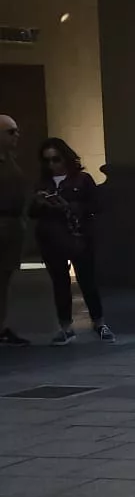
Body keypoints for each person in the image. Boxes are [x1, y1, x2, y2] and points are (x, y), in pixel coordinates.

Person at [30, 138, 110, 344]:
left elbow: (97, 205)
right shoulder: (42, 183)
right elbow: (32, 213)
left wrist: (71, 205)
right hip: (51, 238)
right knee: (59, 282)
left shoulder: (82, 180)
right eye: (47, 161)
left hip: (79, 236)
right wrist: (41, 203)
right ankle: (65, 326)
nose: (52, 165)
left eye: (56, 159)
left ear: (65, 158)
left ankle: (99, 322)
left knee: (87, 280)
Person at [0, 115, 26, 346]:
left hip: (12, 227)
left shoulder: (10, 159)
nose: (16, 135)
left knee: (5, 278)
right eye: (11, 132)